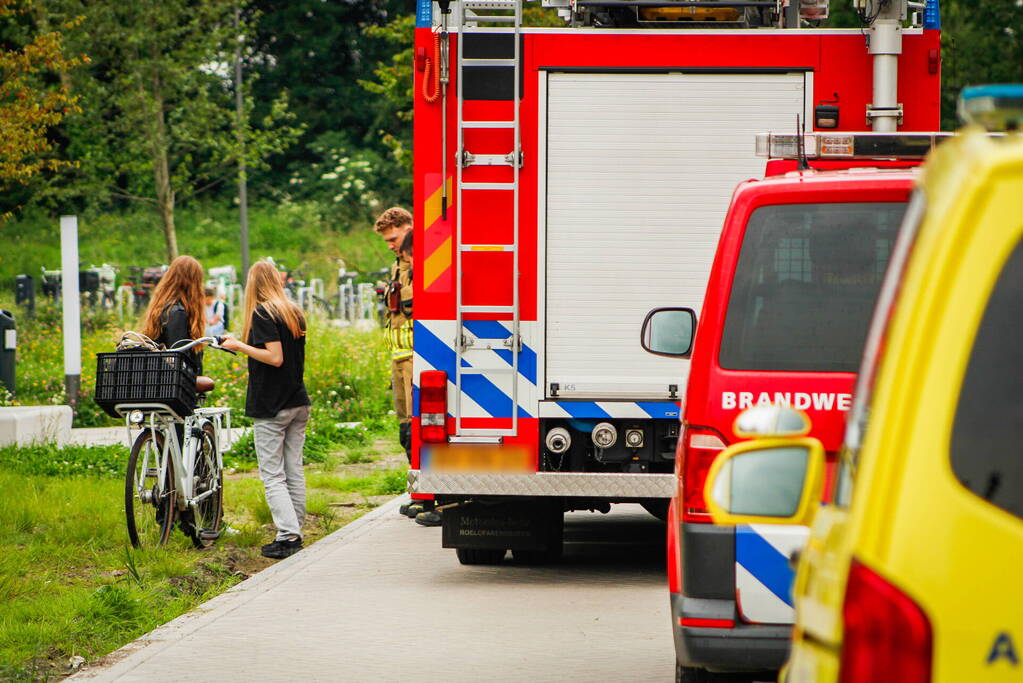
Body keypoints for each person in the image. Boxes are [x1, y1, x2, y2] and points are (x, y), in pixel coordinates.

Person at [222, 261, 311, 560]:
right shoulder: (292, 311)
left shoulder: (262, 312)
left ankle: (287, 535)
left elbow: (274, 357)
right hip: (298, 400)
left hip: (273, 404)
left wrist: (239, 345)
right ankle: (296, 527)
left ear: (253, 284)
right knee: (293, 469)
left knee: (273, 475)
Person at [140, 255, 206, 373]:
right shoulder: (177, 312)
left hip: (160, 377)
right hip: (174, 383)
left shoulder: (164, 306)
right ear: (193, 282)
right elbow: (178, 356)